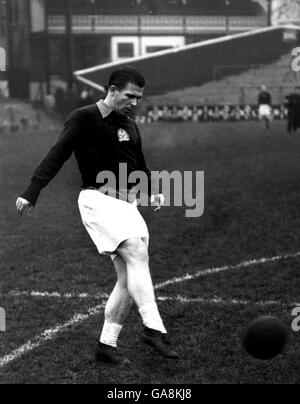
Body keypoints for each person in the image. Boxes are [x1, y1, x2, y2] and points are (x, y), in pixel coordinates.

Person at [16, 66, 179, 365]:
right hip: (97, 200)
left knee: (130, 276)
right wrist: (32, 190)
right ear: (112, 90)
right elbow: (58, 153)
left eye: (139, 97)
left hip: (127, 205)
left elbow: (138, 163)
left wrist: (153, 189)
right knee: (136, 251)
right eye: (130, 95)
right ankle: (153, 328)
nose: (135, 102)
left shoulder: (129, 124)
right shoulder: (84, 117)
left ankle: (107, 345)